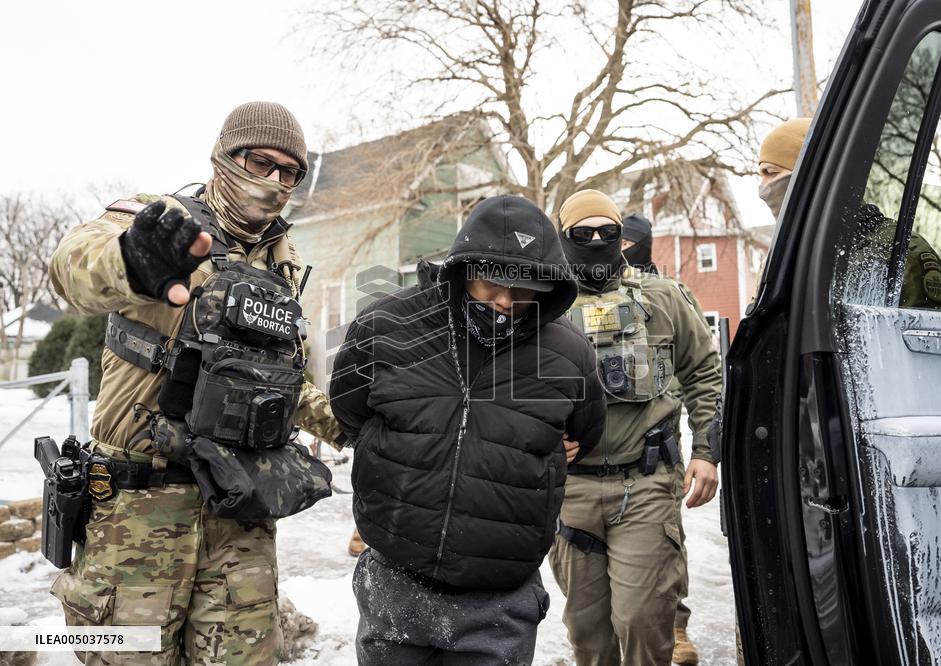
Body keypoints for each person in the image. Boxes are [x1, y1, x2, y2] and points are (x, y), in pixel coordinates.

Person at [47, 101, 341, 664]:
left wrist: (350, 421)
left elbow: (276, 380)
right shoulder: (159, 221)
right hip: (139, 512)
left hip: (240, 510)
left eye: (290, 173)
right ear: (225, 157)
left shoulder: (283, 261)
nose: (275, 182)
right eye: (261, 162)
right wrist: (130, 262)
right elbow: (70, 266)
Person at [329, 194, 607, 665]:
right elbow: (349, 413)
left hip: (498, 600)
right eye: (491, 283)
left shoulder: (570, 352)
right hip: (396, 583)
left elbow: (587, 431)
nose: (505, 301)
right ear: (463, 268)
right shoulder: (386, 325)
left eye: (524, 291)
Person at [550, 189, 723, 665]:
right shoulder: (540, 306)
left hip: (645, 484)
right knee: (588, 635)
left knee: (644, 622)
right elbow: (504, 389)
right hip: (571, 493)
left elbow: (706, 372)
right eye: (581, 234)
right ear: (562, 237)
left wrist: (707, 451)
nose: (596, 240)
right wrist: (540, 439)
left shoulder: (662, 297)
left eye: (608, 233)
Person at [758, 117, 941, 311]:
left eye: (771, 173)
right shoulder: (785, 259)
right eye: (761, 175)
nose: (763, 187)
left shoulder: (899, 249)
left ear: (811, 174)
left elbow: (927, 339)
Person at [621, 210, 703, 664]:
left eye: (627, 243)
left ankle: (676, 624)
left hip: (660, 439)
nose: (619, 251)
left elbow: (700, 366)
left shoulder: (671, 294)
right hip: (605, 442)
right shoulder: (594, 292)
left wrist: (705, 444)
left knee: (667, 538)